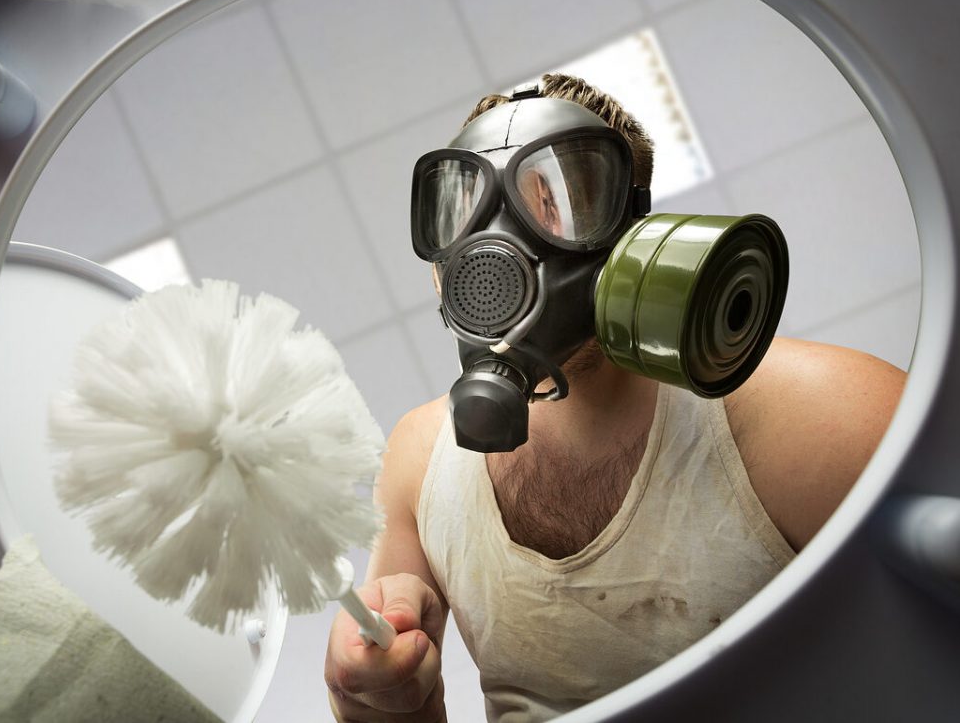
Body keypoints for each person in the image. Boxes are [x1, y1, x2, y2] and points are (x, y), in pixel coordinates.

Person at [325, 73, 905, 722]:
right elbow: (388, 711)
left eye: (553, 202)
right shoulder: (420, 461)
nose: (497, 245)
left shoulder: (811, 412)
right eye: (466, 209)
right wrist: (371, 688)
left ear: (638, 235)